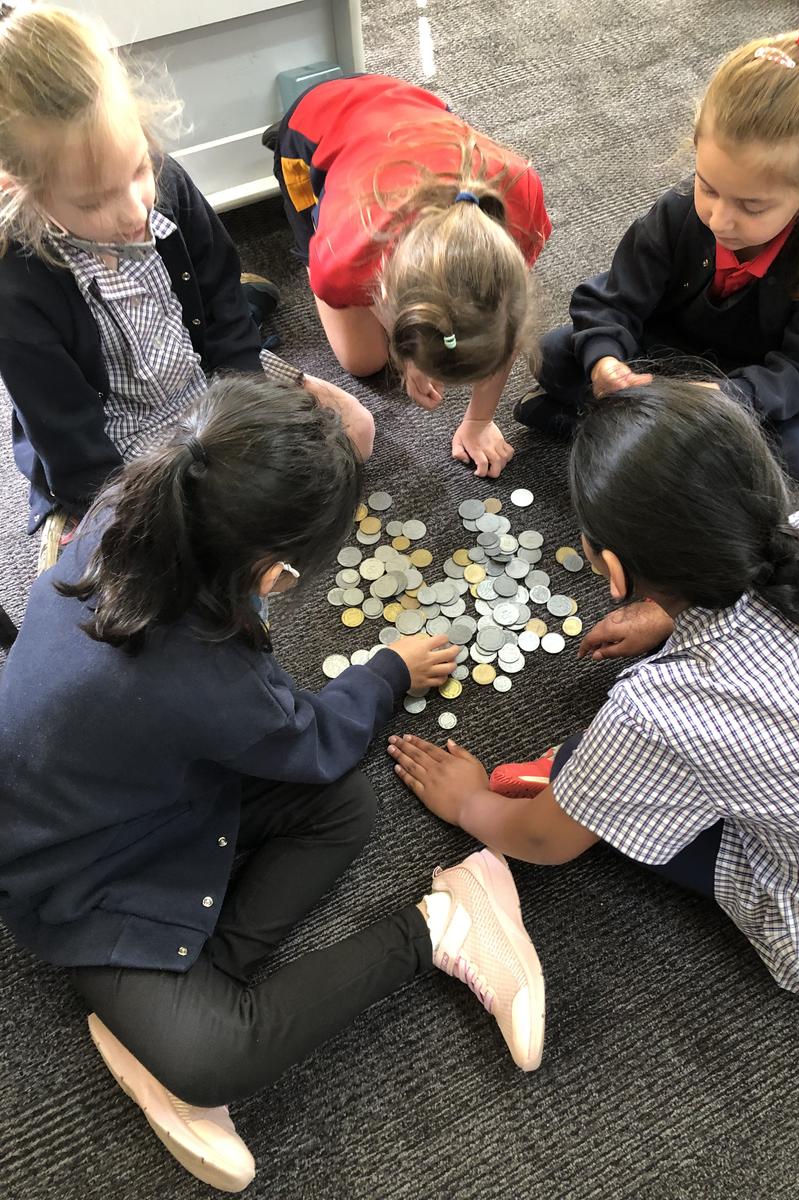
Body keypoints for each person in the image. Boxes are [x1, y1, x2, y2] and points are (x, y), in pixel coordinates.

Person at [0, 377, 545, 1194]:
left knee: (344, 808)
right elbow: (314, 742)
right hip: (75, 883)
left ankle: (189, 990)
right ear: (274, 568)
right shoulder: (207, 673)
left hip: (123, 801)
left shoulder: (123, 511)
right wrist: (386, 671)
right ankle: (444, 925)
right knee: (212, 1059)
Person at [388, 379, 799, 1001]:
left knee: (582, 769)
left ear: (614, 571)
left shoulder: (657, 708)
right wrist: (667, 614)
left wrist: (469, 802)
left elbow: (544, 842)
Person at [0, 4, 373, 545]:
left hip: (207, 374)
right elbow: (68, 436)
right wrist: (118, 509)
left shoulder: (168, 181)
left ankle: (255, 307)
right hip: (119, 434)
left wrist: (247, 411)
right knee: (191, 547)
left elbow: (220, 297)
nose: (134, 210)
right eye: (94, 201)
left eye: (138, 168)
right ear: (20, 190)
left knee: (355, 431)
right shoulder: (16, 289)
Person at [514, 6, 799, 481]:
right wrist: (606, 360)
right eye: (708, 187)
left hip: (761, 382)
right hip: (672, 348)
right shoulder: (677, 212)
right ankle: (665, 444)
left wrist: (731, 397)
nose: (719, 219)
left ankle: (619, 434)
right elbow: (615, 300)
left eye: (752, 206)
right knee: (554, 353)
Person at [268, 73, 552, 478]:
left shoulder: (522, 196)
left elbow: (505, 321)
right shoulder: (344, 258)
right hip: (310, 131)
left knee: (382, 351)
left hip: (414, 115)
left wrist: (479, 420)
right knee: (363, 361)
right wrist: (409, 354)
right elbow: (346, 287)